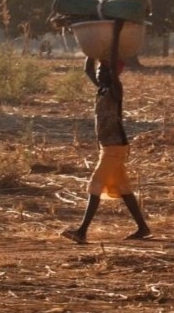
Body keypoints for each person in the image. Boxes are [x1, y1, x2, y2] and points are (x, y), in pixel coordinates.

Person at [61, 21, 151, 244]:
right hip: (109, 145)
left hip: (115, 146)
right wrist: (91, 48)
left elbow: (109, 66)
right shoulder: (101, 89)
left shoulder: (115, 89)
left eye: (105, 70)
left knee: (95, 185)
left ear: (113, 72)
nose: (100, 73)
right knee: (123, 189)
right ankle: (143, 228)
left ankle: (81, 231)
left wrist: (115, 35)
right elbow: (87, 69)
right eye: (101, 71)